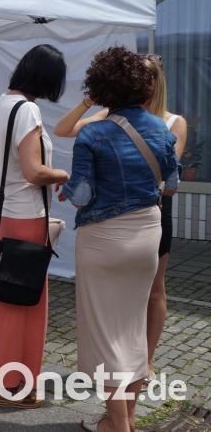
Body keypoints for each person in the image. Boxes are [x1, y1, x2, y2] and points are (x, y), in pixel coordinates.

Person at [59, 47, 178, 432]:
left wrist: (72, 188)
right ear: (144, 86)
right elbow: (171, 184)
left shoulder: (93, 132)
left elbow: (80, 196)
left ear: (102, 86)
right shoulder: (163, 128)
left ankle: (118, 425)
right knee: (132, 328)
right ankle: (123, 417)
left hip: (103, 239)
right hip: (147, 233)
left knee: (107, 333)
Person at [0, 44, 70, 408]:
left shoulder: (3, 103)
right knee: (22, 302)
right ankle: (13, 386)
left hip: (1, 216)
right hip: (24, 217)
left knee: (0, 295)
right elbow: (33, 170)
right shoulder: (28, 111)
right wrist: (63, 173)